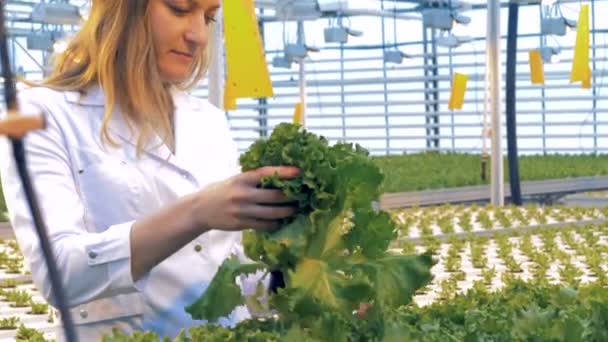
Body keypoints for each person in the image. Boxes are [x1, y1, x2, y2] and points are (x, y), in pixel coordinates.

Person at [0, 0, 298, 340]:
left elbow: (234, 272)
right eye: (179, 9)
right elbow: (58, 274)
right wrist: (197, 212)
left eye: (209, 18)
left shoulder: (209, 121)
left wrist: (300, 278)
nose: (199, 36)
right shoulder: (42, 114)